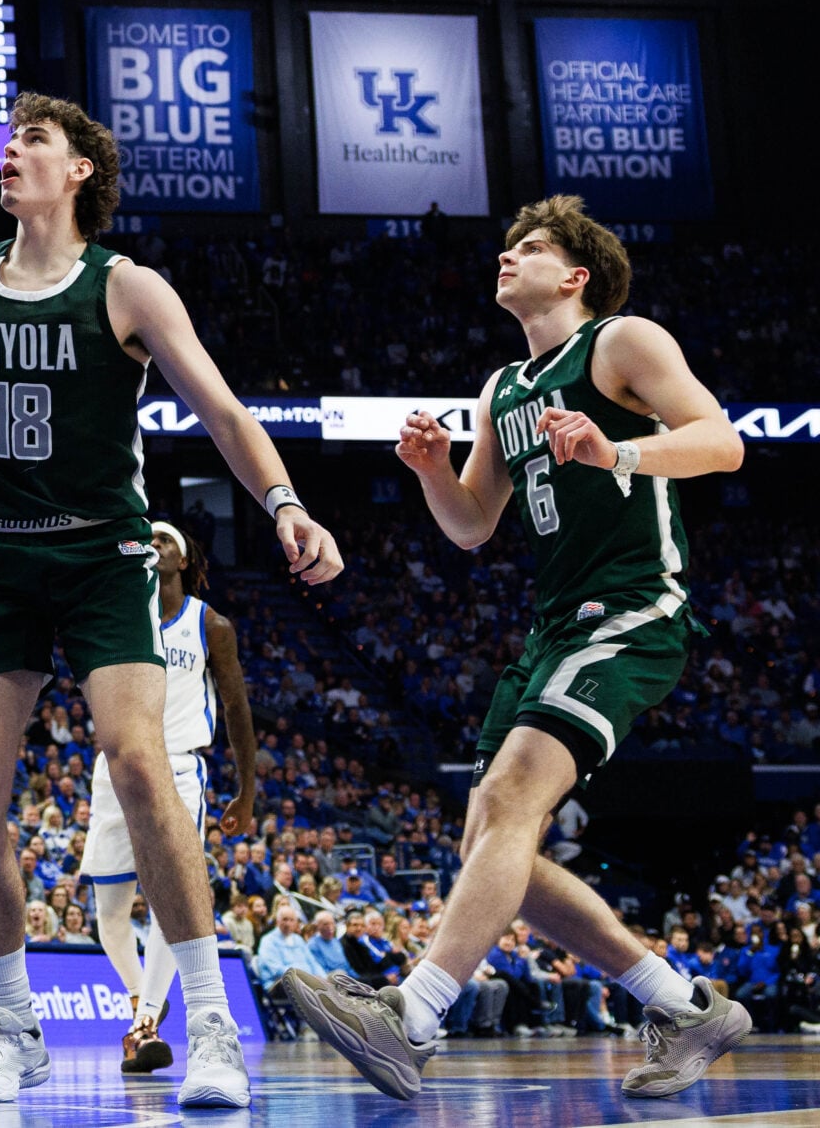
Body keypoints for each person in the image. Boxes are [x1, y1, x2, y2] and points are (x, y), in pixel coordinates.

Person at [0, 93, 343, 1110]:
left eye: (33, 142)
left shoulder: (125, 286)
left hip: (102, 559)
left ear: (80, 171)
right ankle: (13, 1025)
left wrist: (284, 505)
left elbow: (222, 410)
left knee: (138, 759)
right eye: (6, 142)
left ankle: (211, 1025)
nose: (9, 153)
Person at [283, 198, 751, 1102]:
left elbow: (722, 443)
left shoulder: (622, 342)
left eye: (529, 248)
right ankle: (682, 1002)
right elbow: (470, 525)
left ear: (575, 276)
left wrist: (615, 452)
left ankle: (411, 1017)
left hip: (631, 610)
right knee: (491, 841)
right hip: (552, 625)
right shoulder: (503, 388)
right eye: (506, 247)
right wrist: (428, 472)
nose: (508, 257)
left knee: (506, 799)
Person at [83, 519, 257, 1079]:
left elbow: (236, 709)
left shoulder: (212, 624)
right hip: (113, 768)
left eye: (166, 541)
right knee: (107, 913)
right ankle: (140, 1001)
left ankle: (146, 1025)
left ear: (184, 561)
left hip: (180, 766)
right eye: (148, 539)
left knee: (169, 899)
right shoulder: (117, 615)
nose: (154, 546)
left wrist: (247, 790)